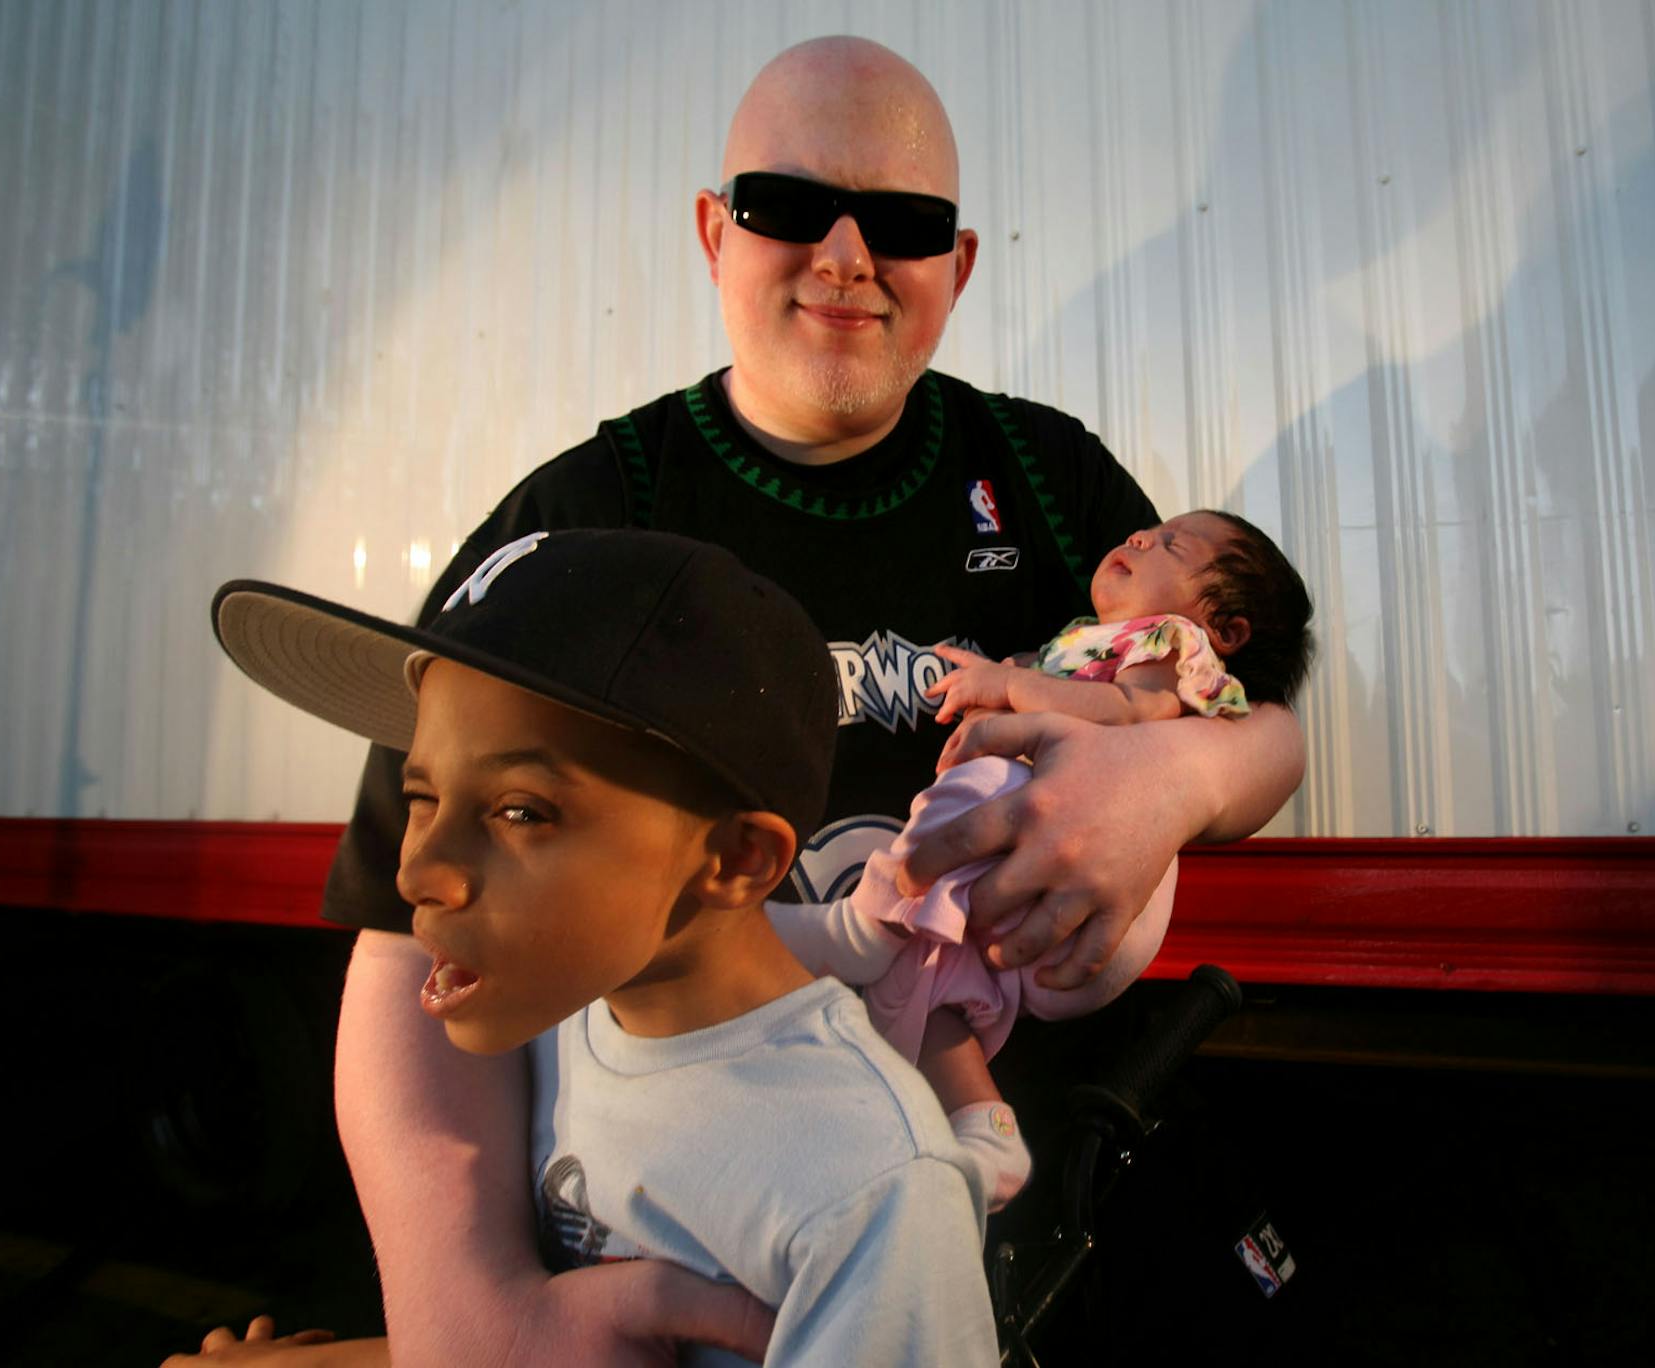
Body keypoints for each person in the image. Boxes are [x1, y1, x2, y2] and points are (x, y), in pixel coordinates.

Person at [321, 35, 1306, 1363]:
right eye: (790, 207)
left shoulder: (1049, 481)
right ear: (714, 234)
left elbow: (1260, 731)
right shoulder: (590, 516)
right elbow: (406, 919)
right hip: (684, 1228)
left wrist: (1177, 778)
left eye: (898, 223)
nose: (846, 256)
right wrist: (465, 1313)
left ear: (953, 268)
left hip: (1017, 1226)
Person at [194, 528, 998, 1367]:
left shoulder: (867, 1192)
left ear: (735, 860)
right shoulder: (572, 1014)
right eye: (421, 795)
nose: (418, 870)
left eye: (519, 812)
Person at [768, 509, 1315, 1208]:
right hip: (1042, 906)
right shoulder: (1087, 641)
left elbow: (1133, 709)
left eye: (1172, 544)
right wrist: (1004, 670)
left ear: (1225, 628)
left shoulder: (1169, 643)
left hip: (1096, 891)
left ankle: (860, 927)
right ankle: (984, 1128)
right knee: (932, 978)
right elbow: (1062, 680)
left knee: (979, 789)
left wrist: (1009, 688)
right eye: (1146, 532)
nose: (1140, 535)